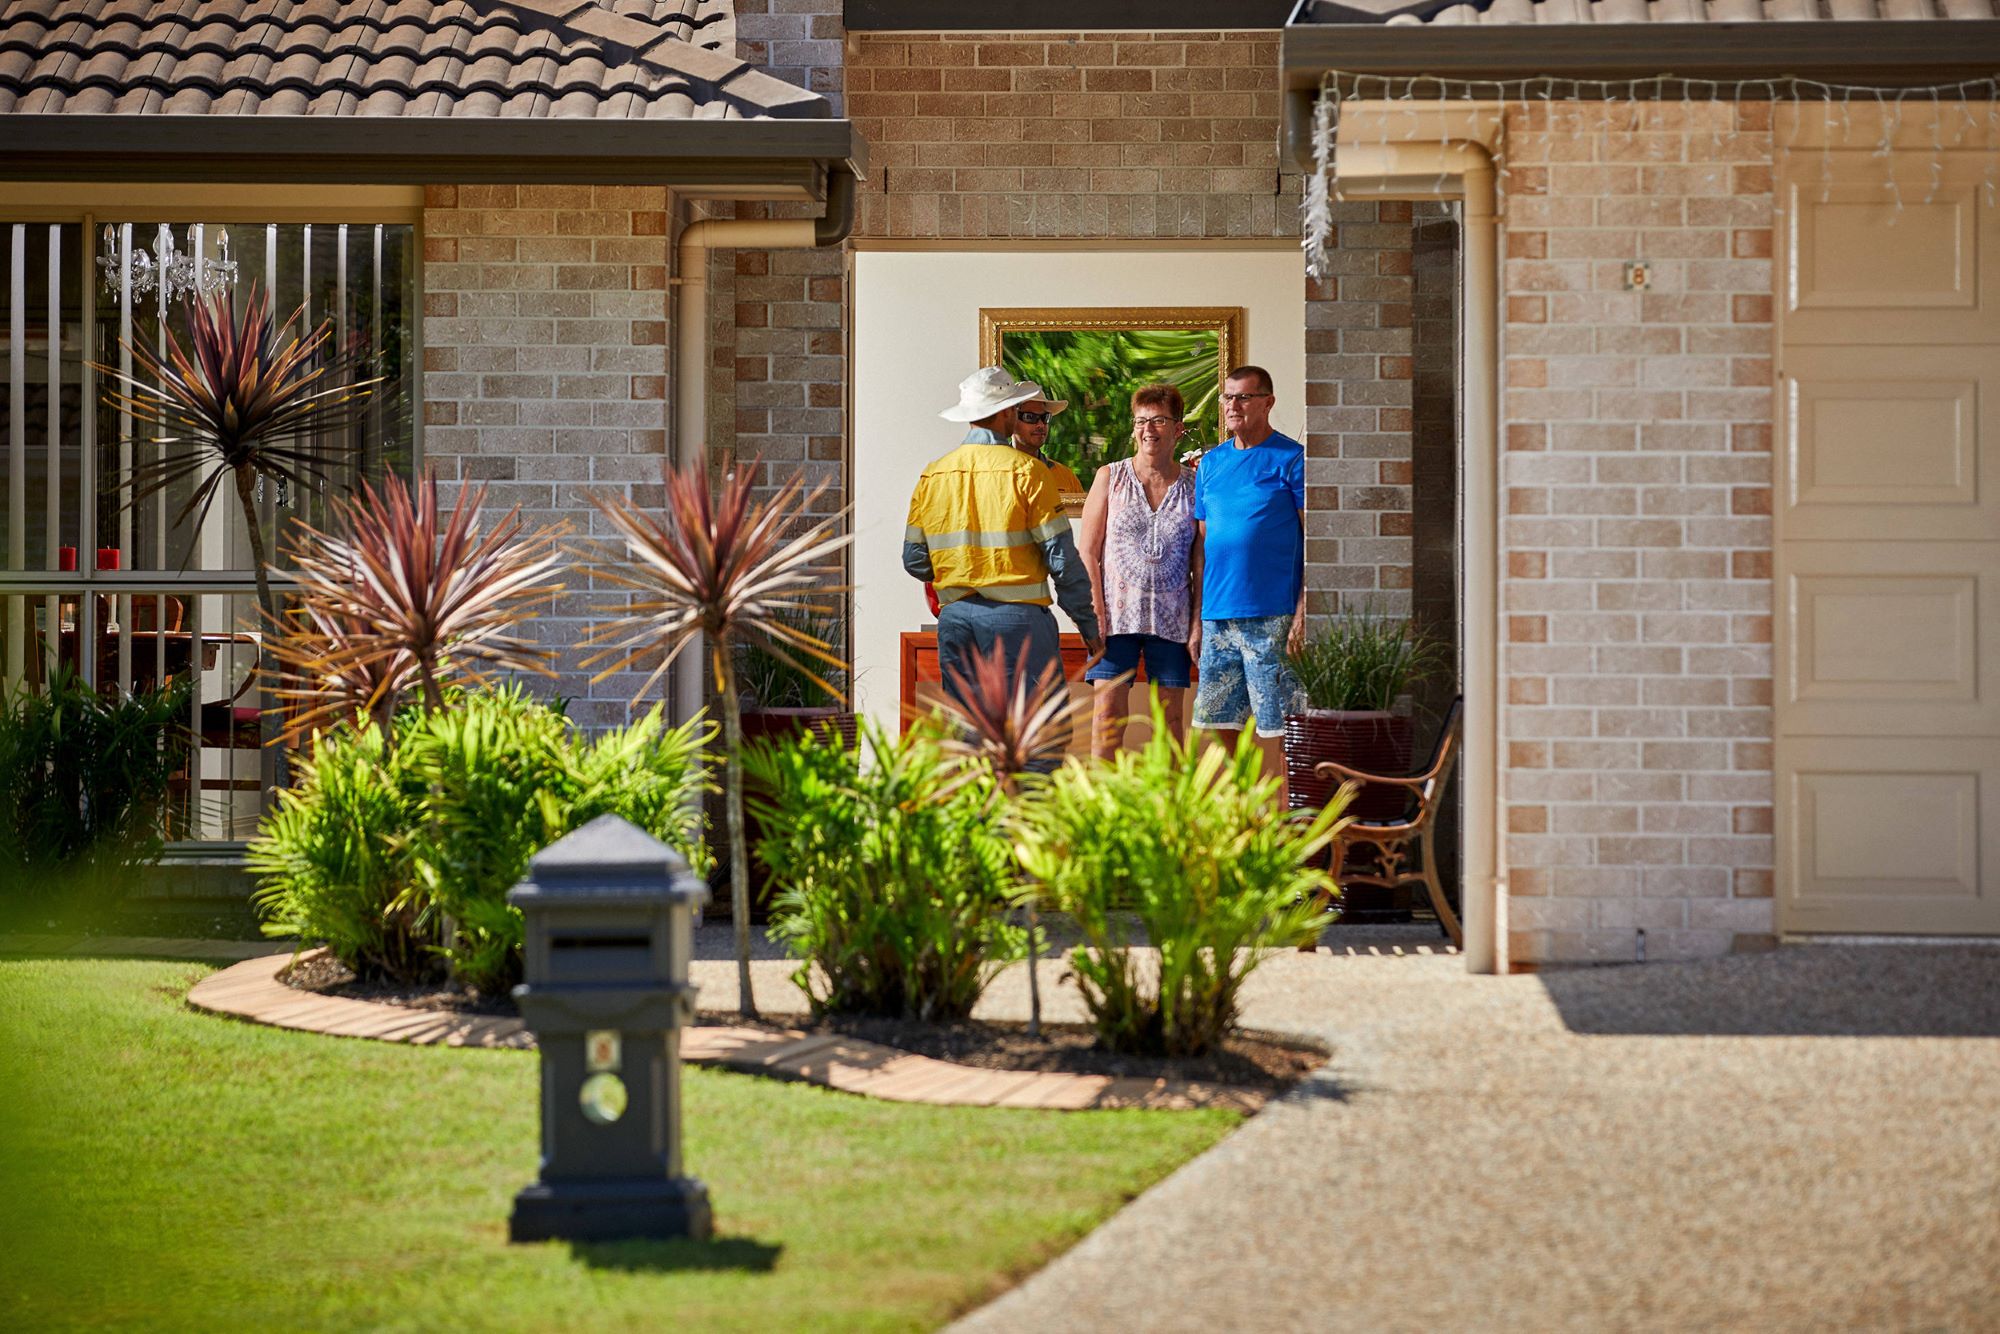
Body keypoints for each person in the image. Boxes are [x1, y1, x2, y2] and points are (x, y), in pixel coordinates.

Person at [904, 366, 1103, 718]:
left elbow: (915, 561)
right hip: (1019, 622)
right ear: (1006, 412)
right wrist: (1088, 626)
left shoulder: (933, 474)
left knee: (972, 733)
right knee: (1038, 734)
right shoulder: (1028, 472)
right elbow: (1062, 560)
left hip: (956, 620)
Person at [1190, 364, 1307, 782]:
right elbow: (1202, 548)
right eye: (1227, 397)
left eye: (1243, 397)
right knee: (1217, 721)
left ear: (1268, 403)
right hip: (1218, 616)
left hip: (1272, 614)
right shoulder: (1211, 465)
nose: (1232, 405)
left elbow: (1315, 540)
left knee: (1279, 724)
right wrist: (1196, 620)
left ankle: (1282, 820)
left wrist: (1303, 611)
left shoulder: (1291, 459)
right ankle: (1243, 807)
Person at [1077, 383, 1201, 759]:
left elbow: (1201, 559)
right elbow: (1087, 549)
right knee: (1107, 718)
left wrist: (1197, 622)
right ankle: (1102, 813)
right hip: (1115, 620)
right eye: (1141, 421)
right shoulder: (1110, 477)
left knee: (1171, 723)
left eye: (1159, 420)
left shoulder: (1195, 486)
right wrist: (1095, 610)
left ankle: (1169, 813)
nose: (1149, 429)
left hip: (1173, 620)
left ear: (1178, 429)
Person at [1010, 396, 1085, 495]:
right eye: (1030, 417)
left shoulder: (1066, 477)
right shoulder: (993, 472)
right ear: (1011, 420)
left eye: (1045, 417)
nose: (1041, 425)